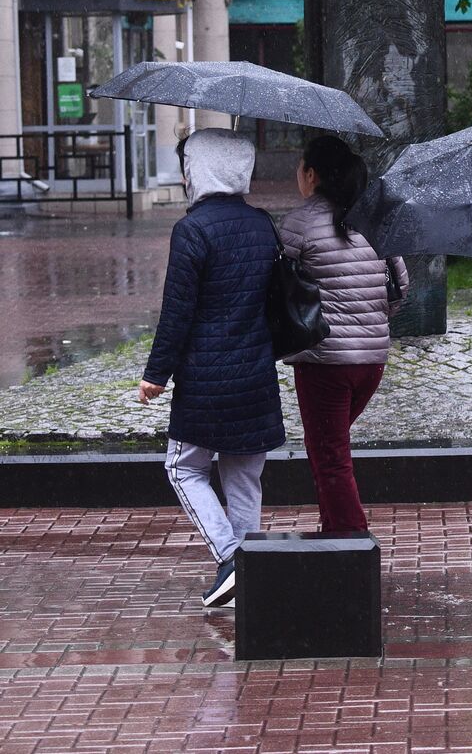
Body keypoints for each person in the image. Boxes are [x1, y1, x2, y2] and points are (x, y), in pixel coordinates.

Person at [138, 128, 285, 609]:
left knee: (183, 468)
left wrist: (156, 373)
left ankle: (232, 558)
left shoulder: (193, 230)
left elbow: (177, 311)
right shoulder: (263, 224)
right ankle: (252, 572)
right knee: (244, 475)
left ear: (199, 169)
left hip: (207, 376)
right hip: (256, 372)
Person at [277, 135, 408, 534]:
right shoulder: (372, 221)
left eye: (300, 168)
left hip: (324, 364)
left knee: (330, 455)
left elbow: (279, 288)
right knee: (325, 452)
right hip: (371, 362)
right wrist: (371, 324)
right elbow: (400, 286)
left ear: (311, 174)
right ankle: (333, 533)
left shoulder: (298, 223)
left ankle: (353, 544)